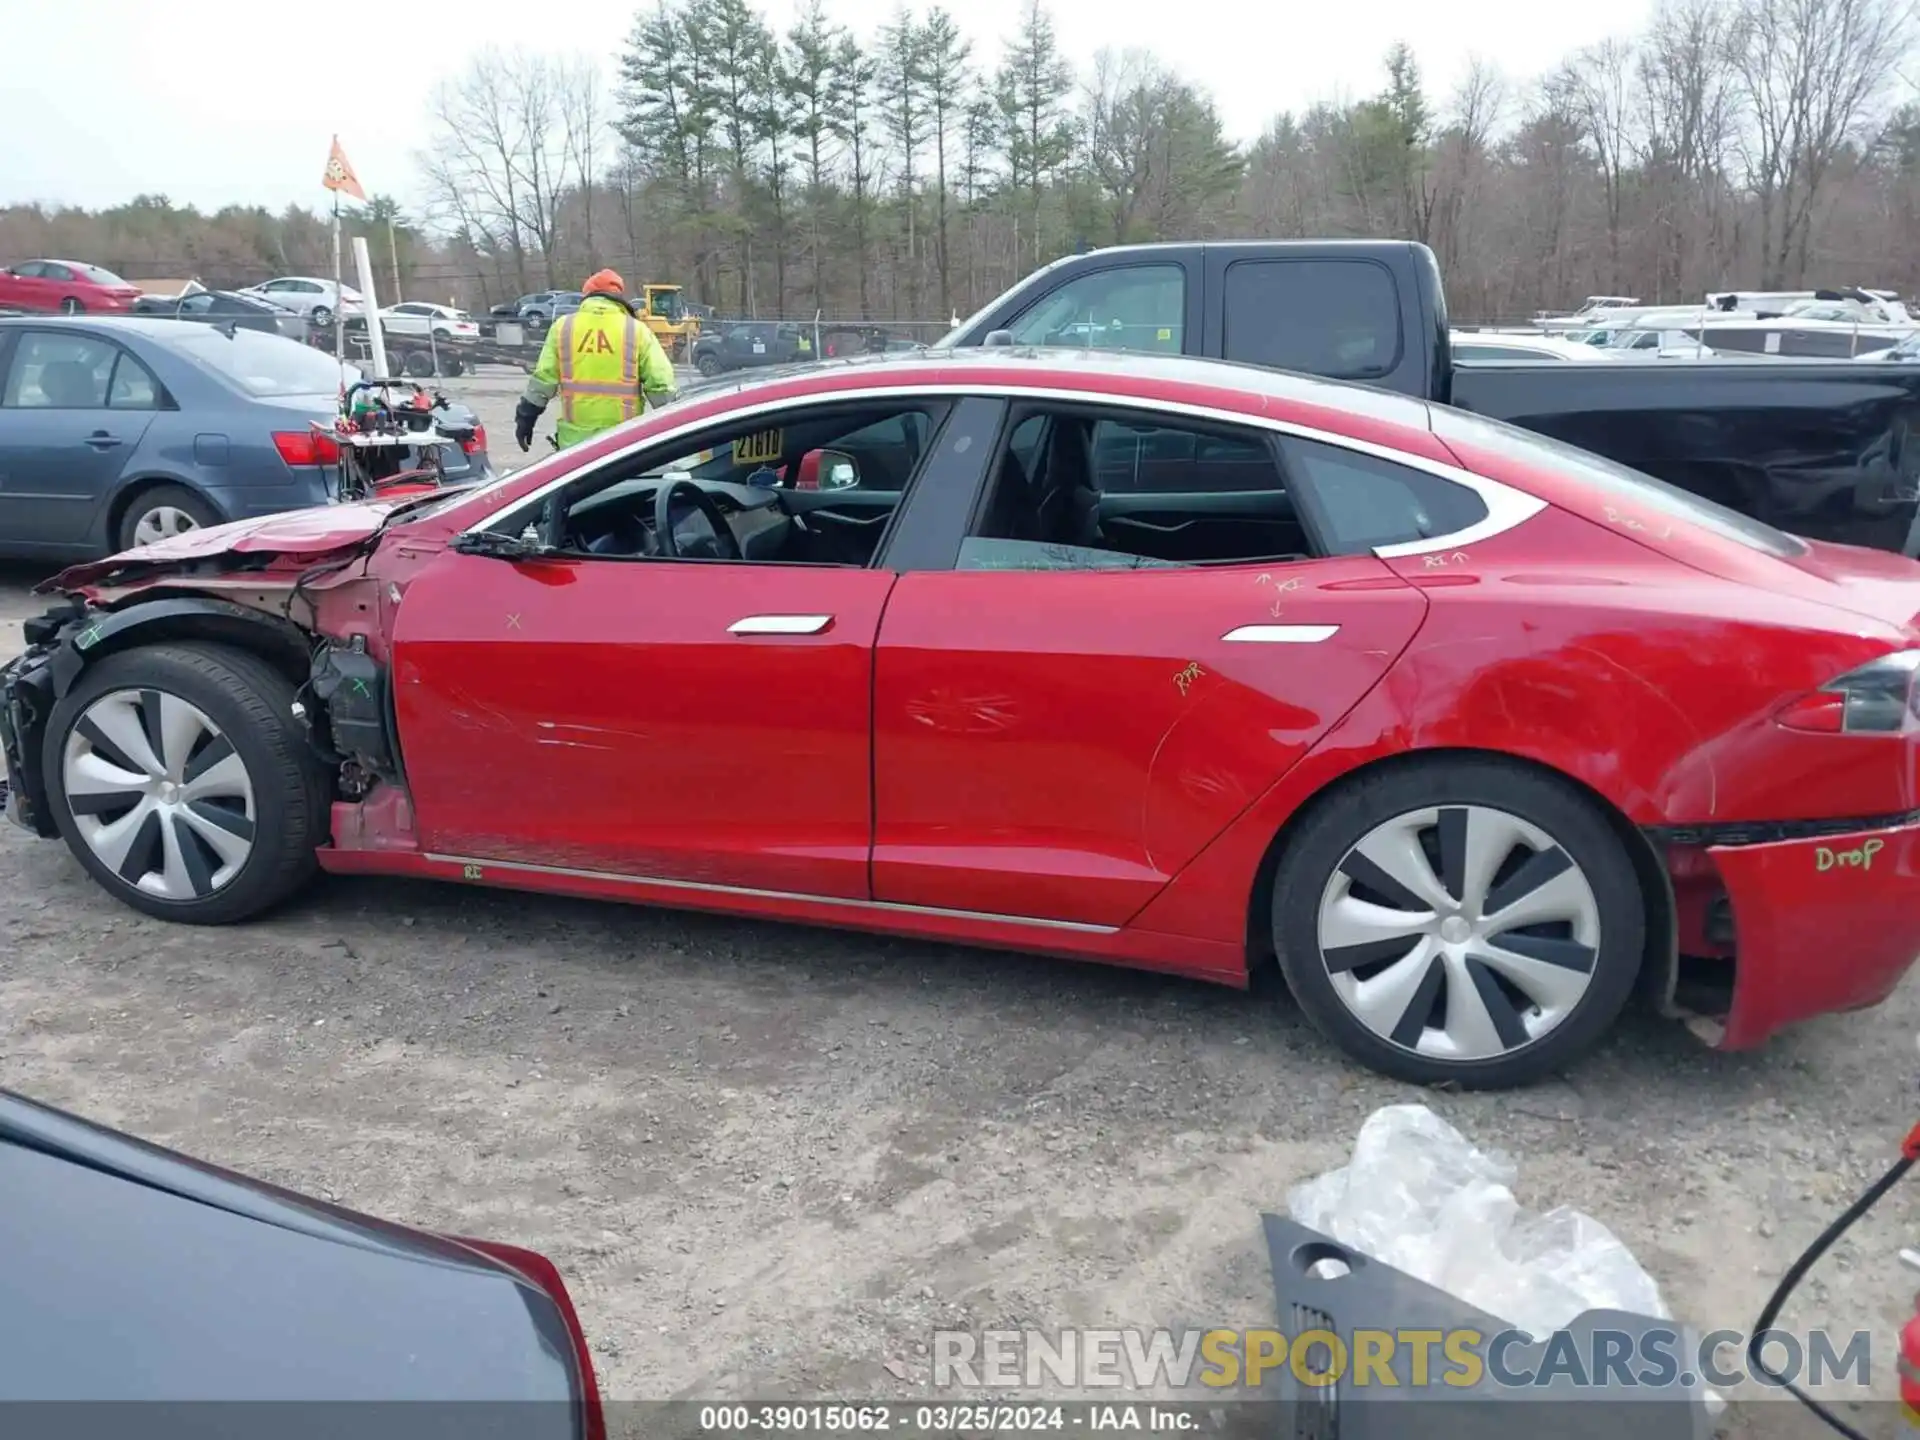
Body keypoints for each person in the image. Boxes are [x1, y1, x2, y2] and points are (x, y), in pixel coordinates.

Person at [514, 269, 677, 451]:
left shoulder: (563, 327)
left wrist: (526, 417)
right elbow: (660, 384)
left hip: (575, 446)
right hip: (623, 444)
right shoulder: (636, 330)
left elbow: (544, 379)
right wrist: (677, 427)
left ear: (587, 296)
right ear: (617, 297)